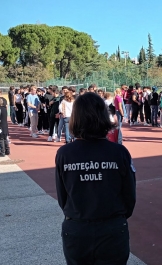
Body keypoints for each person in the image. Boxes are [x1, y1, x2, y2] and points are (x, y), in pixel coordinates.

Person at [55, 92, 136, 265]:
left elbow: (62, 196)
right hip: (112, 227)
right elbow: (130, 194)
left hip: (77, 227)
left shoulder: (65, 153)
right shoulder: (119, 152)